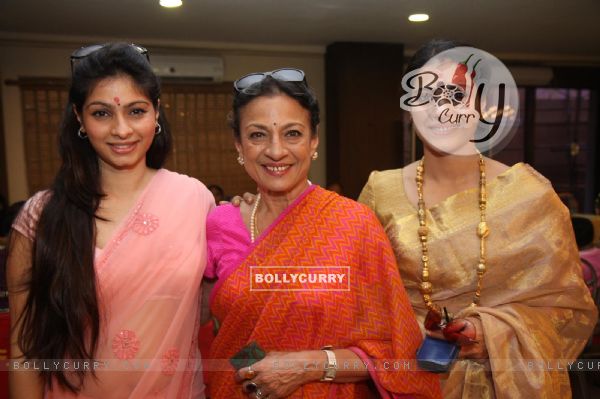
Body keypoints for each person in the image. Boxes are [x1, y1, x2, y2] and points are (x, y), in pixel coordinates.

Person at [358, 39, 598, 398]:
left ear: (484, 106)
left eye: (456, 95)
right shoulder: (381, 191)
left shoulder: (529, 195)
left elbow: (570, 310)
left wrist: (494, 334)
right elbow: (355, 295)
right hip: (404, 381)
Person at [204, 69, 441, 398]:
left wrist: (309, 365)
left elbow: (396, 352)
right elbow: (202, 331)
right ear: (239, 144)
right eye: (258, 135)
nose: (276, 151)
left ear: (313, 141)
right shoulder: (219, 222)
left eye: (292, 134)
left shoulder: (354, 224)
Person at [7, 43, 214, 398]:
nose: (122, 130)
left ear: (157, 112)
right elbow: (25, 347)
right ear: (79, 117)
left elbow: (216, 306)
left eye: (136, 111)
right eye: (102, 114)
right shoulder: (41, 216)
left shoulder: (195, 200)